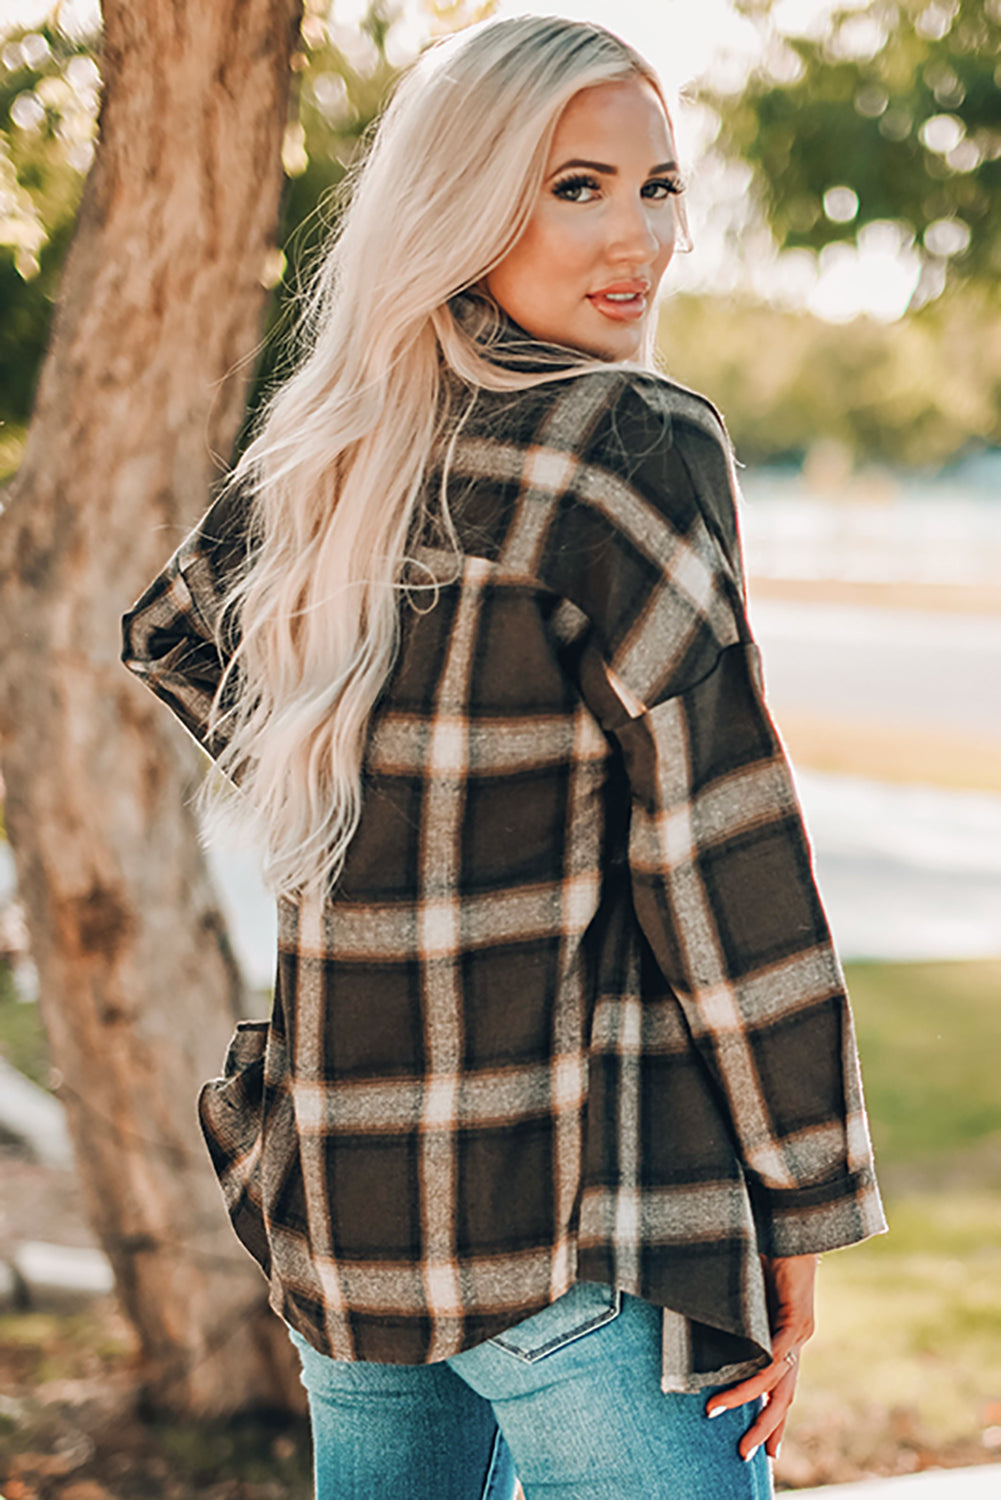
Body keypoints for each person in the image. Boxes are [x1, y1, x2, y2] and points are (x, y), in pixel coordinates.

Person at [119, 14, 887, 1499]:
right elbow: (721, 848)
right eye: (574, 186)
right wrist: (799, 1201)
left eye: (657, 186)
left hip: (350, 1207)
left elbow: (169, 630)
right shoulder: (628, 439)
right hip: (574, 1211)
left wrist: (397, 792)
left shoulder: (332, 449)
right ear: (462, 206)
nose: (637, 240)